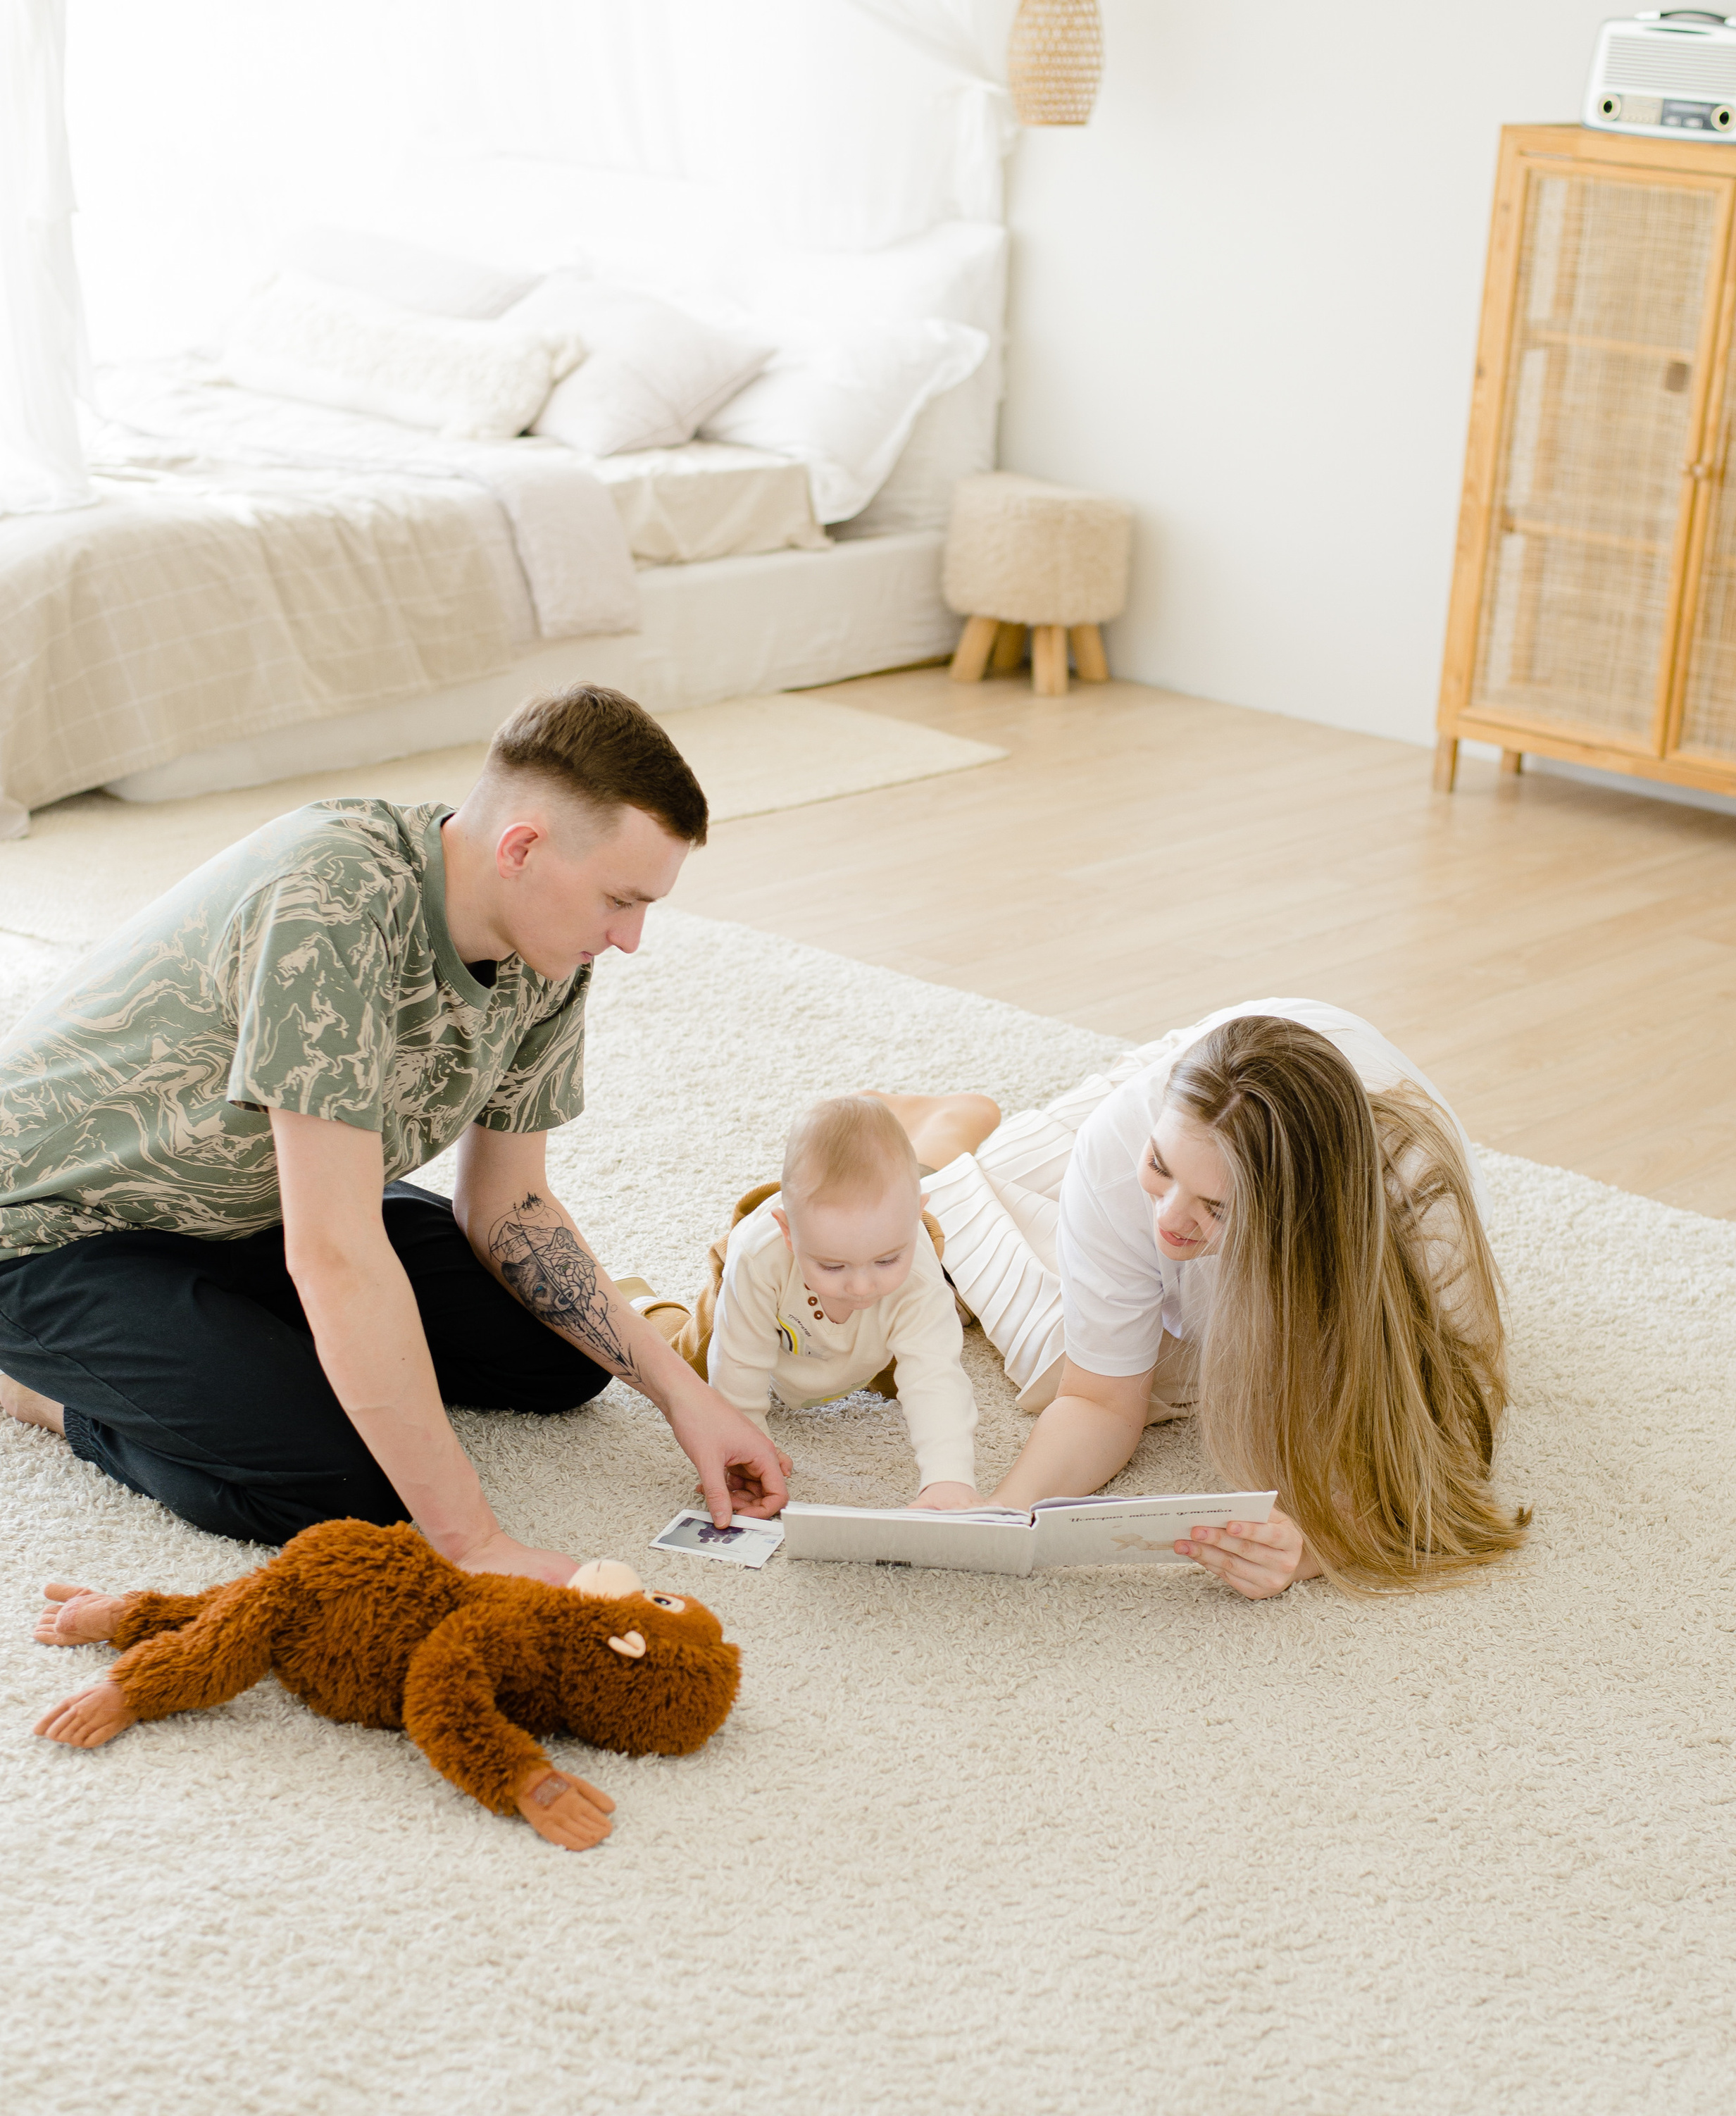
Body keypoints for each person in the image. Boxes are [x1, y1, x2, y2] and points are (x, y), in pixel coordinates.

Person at [0, 684, 789, 1579]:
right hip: (57, 1231)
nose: (632, 937)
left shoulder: (548, 952)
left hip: (265, 1208)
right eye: (620, 899)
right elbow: (338, 1255)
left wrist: (685, 1398)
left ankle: (247, 1336)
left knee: (557, 1362)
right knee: (345, 1490)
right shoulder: (332, 900)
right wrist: (475, 1545)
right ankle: (44, 1394)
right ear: (522, 848)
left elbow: (510, 1203)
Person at [924, 999, 1528, 1600]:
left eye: (1216, 1207)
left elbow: (1438, 1446)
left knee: (1175, 1364)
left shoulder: (1420, 1218)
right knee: (937, 1242)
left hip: (1315, 1170)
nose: (1167, 1221)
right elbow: (1100, 1399)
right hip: (1209, 1083)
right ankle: (938, 1134)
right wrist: (1006, 1512)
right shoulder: (1124, 1139)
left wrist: (1317, 1546)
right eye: (1159, 1169)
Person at [627, 1091, 1000, 1510]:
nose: (862, 1288)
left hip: (884, 1290)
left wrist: (949, 1479)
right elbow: (738, 1365)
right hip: (755, 1299)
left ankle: (950, 1121)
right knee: (690, 1368)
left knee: (917, 1361)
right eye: (833, 1266)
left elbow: (936, 1378)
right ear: (789, 1233)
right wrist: (747, 1450)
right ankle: (644, 1306)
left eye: (886, 1260)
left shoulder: (913, 1271)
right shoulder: (759, 1259)